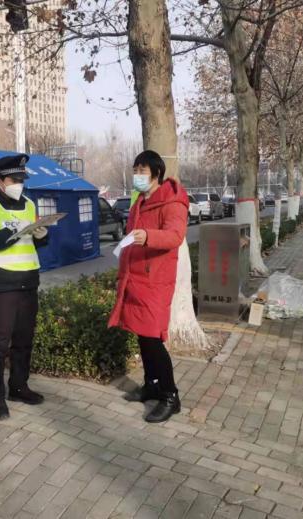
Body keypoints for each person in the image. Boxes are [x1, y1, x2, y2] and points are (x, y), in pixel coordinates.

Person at [108, 150, 188, 423]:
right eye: (135, 170)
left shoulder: (172, 201)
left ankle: (170, 396)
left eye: (142, 171)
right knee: (142, 336)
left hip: (155, 281)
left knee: (153, 339)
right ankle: (151, 385)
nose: (137, 176)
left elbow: (175, 235)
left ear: (157, 173)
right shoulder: (138, 202)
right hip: (135, 278)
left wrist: (148, 236)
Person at [0, 154, 49, 421]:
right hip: (1, 283)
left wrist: (42, 234)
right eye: (14, 180)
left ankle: (18, 387)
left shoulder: (29, 204)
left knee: (24, 340)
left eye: (21, 179)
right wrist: (12, 233)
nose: (19, 184)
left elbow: (34, 244)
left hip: (28, 281)